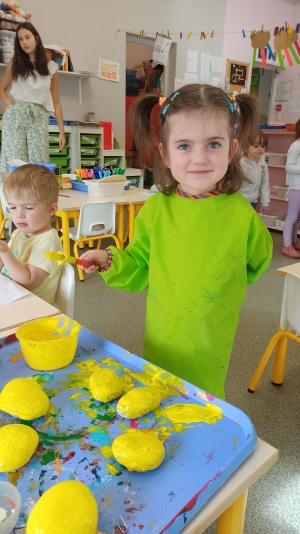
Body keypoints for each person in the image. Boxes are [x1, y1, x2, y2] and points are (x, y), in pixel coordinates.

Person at [80, 84, 272, 399]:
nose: (199, 158)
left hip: (212, 335)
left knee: (203, 401)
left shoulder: (242, 213)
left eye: (213, 143)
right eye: (184, 146)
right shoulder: (156, 210)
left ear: (232, 148)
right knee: (161, 394)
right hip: (164, 332)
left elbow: (257, 261)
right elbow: (138, 266)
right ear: (165, 153)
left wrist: (220, 284)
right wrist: (109, 260)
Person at [0, 22, 66, 171]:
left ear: (36, 38)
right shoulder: (15, 63)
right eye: (20, 39)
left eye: (27, 37)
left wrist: (62, 132)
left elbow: (56, 103)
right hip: (16, 115)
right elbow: (1, 89)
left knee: (39, 162)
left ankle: (37, 194)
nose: (24, 42)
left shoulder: (50, 68)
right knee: (15, 161)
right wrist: (10, 106)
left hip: (38, 117)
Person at [0, 164, 63, 304]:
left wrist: (4, 252)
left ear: (51, 209)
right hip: (9, 298)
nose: (19, 215)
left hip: (31, 309)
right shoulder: (19, 233)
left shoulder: (48, 242)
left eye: (28, 208)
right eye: (12, 207)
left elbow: (28, 282)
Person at [281, 119, 300, 258]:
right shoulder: (296, 146)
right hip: (296, 187)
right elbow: (289, 167)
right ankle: (286, 245)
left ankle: (293, 241)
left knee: (297, 218)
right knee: (292, 217)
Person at [239, 130, 269, 211]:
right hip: (240, 200)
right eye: (256, 146)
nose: (260, 149)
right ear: (246, 148)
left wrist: (265, 201)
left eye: (262, 146)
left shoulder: (263, 164)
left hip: (253, 201)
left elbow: (264, 184)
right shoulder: (241, 164)